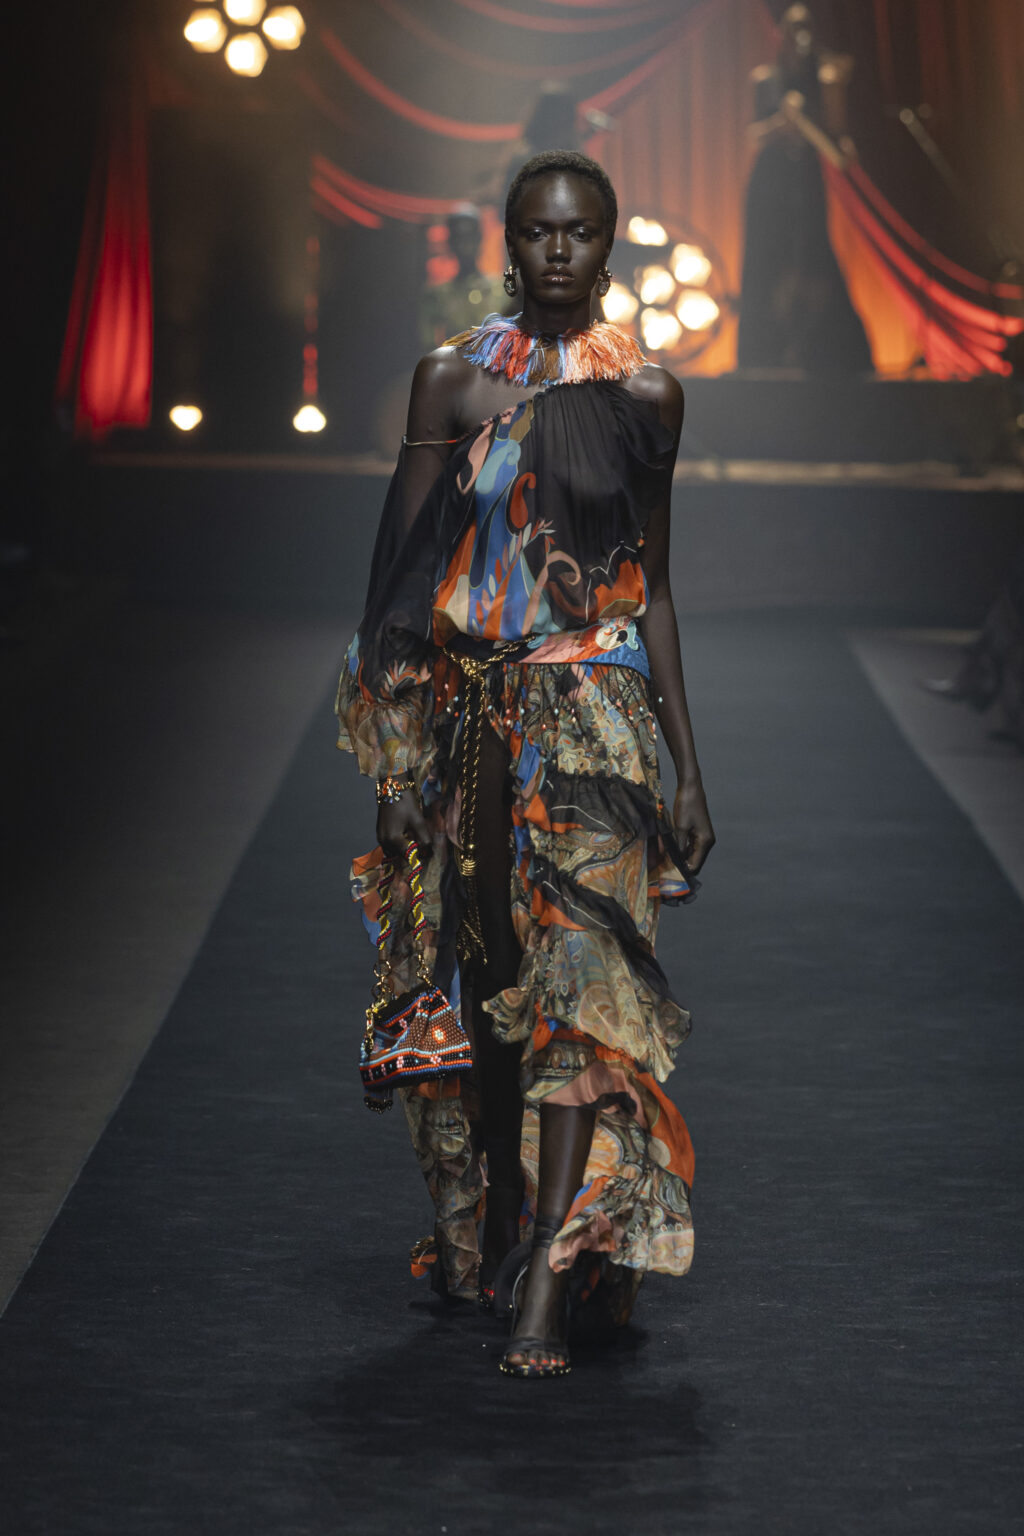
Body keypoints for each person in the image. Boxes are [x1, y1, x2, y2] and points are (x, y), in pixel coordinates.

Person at [336, 150, 714, 1379]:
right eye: (539, 230)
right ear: (509, 242)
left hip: (600, 720)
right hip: (474, 724)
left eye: (581, 231)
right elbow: (398, 585)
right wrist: (396, 767)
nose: (559, 249)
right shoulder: (452, 381)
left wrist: (689, 770)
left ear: (610, 244)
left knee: (582, 993)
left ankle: (551, 1275)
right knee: (495, 991)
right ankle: (514, 1232)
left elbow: (653, 587)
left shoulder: (648, 395)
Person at [738, 3, 872, 373]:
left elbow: (836, 137)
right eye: (794, 26)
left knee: (813, 255)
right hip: (770, 182)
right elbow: (754, 135)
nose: (801, 34)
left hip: (807, 180)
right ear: (781, 32)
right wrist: (782, 121)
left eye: (807, 26)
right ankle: (765, 354)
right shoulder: (766, 78)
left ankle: (824, 352)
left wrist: (832, 93)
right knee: (768, 260)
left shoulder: (822, 79)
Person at [418, 204, 509, 352]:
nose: (464, 245)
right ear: (450, 242)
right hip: (454, 364)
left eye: (469, 237)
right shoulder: (437, 295)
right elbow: (428, 346)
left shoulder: (502, 290)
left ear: (479, 239)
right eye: (458, 238)